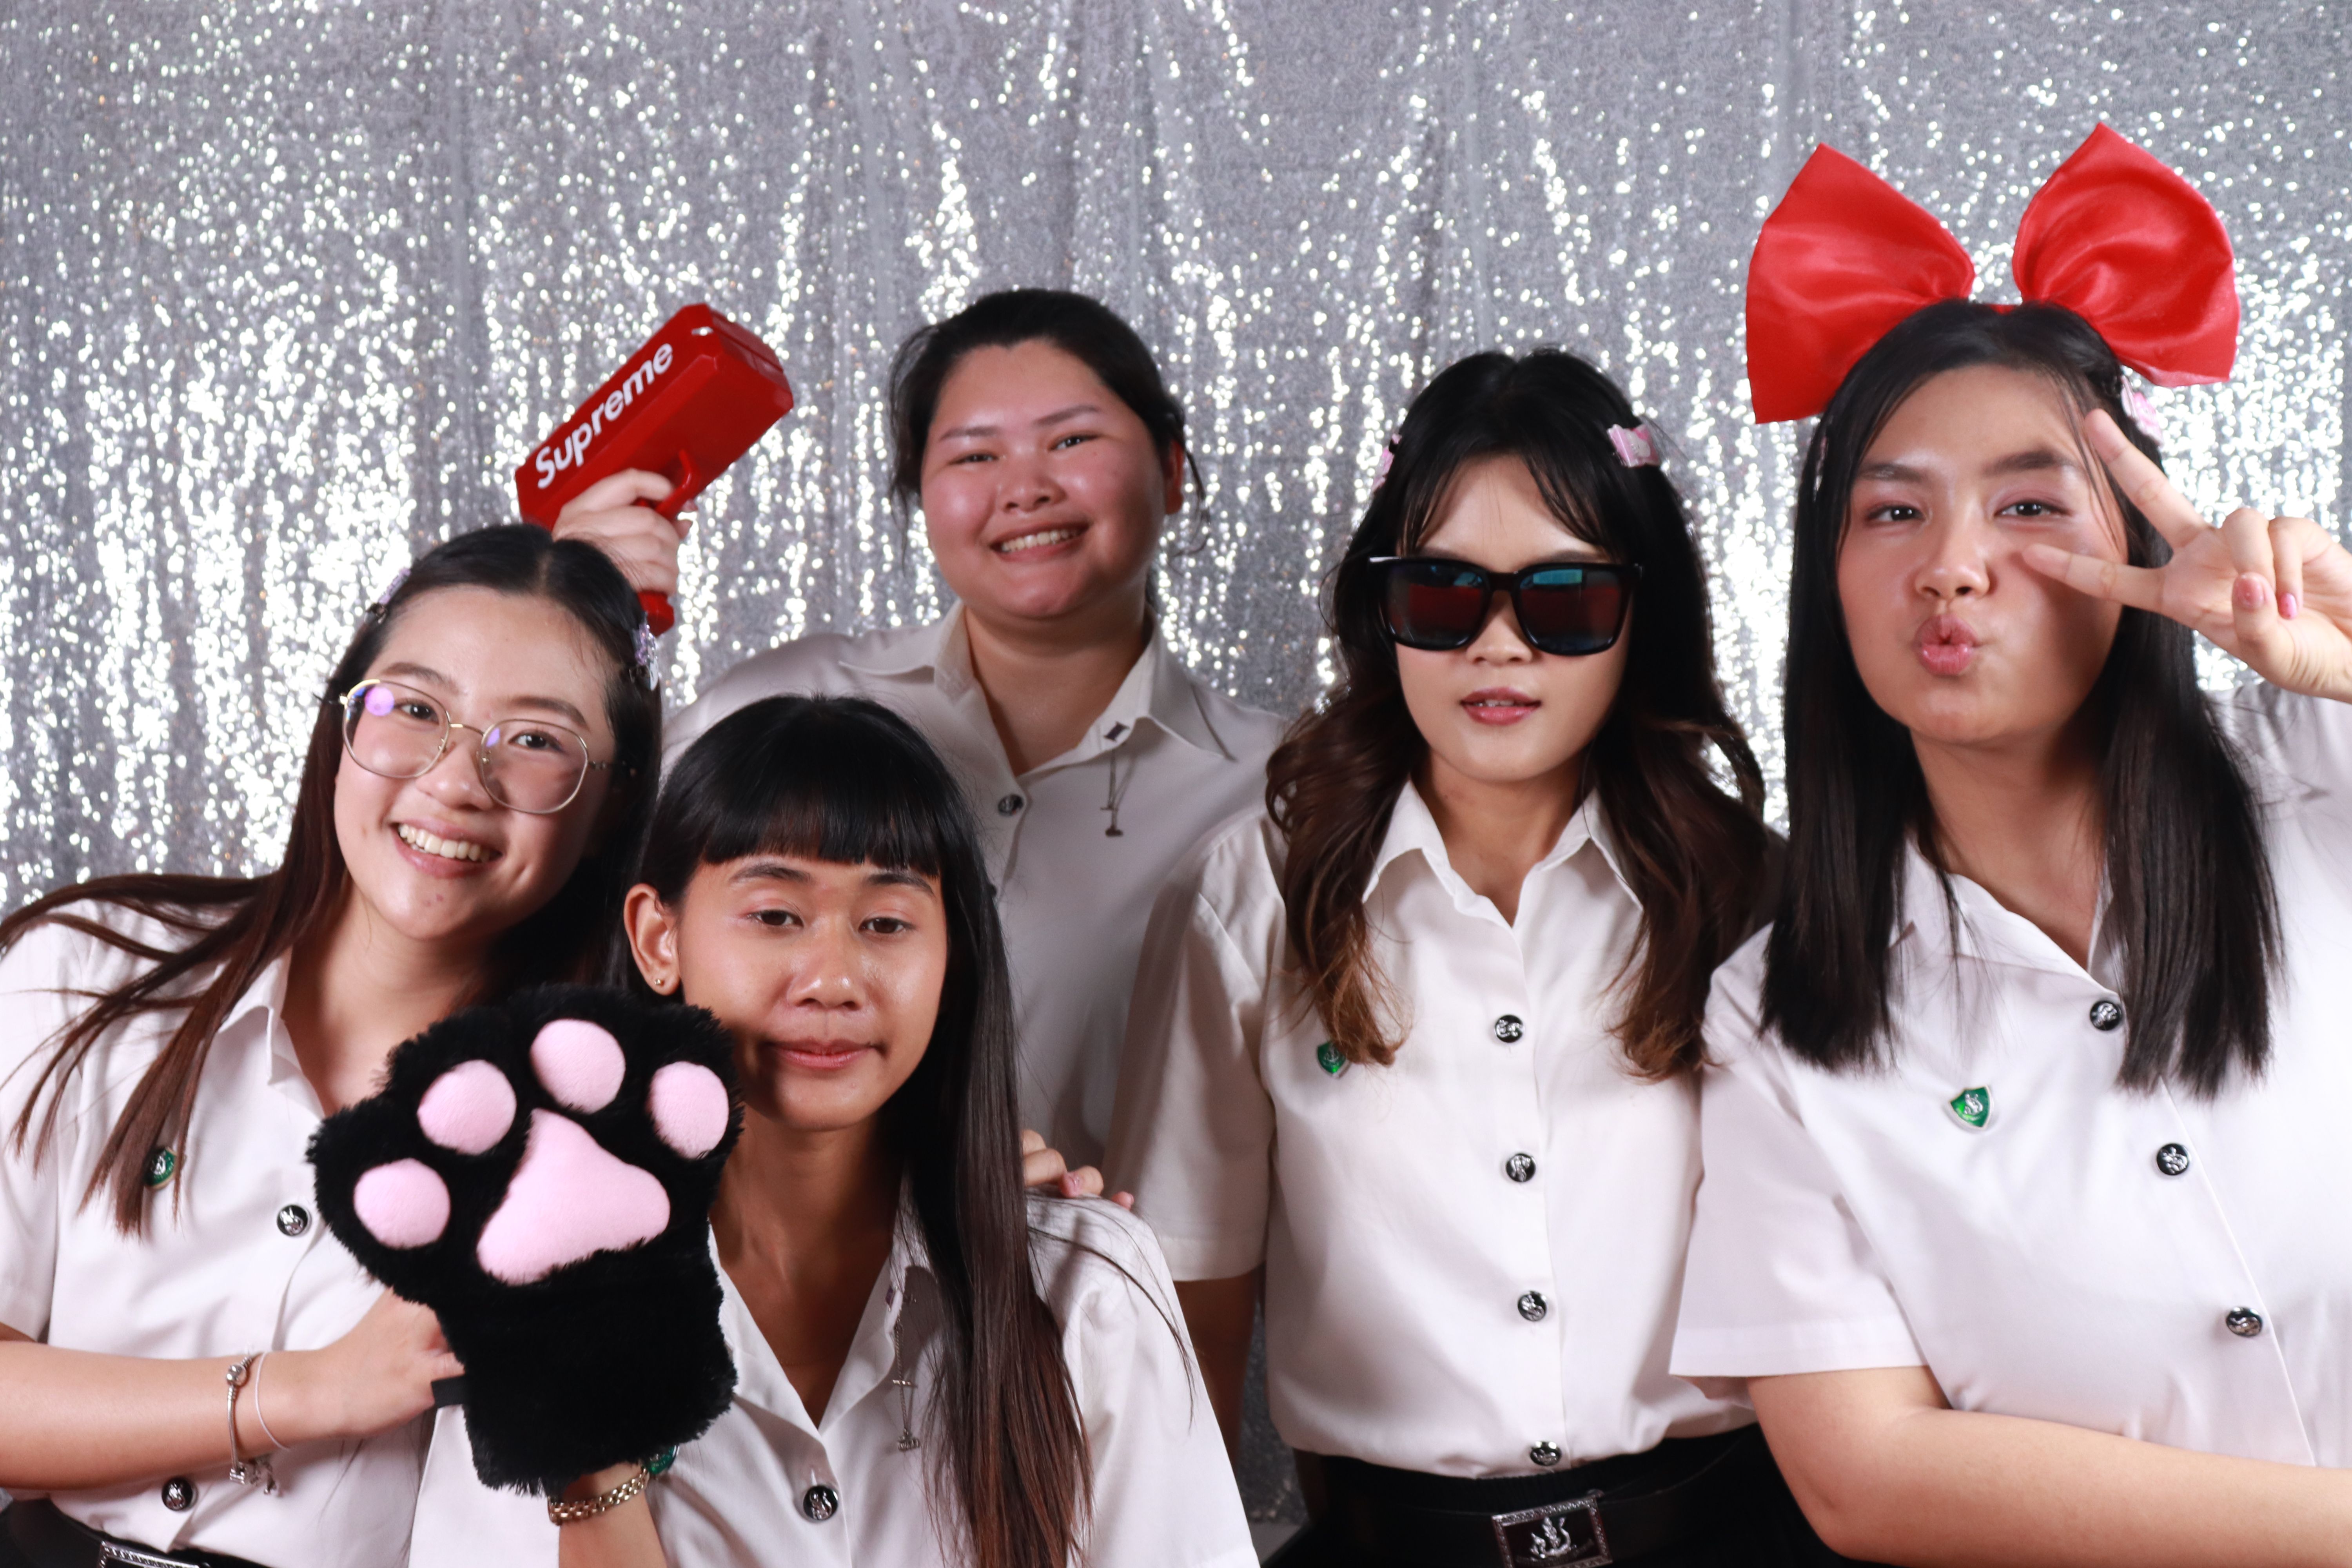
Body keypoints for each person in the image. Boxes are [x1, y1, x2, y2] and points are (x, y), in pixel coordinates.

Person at [1672, 127, 2352, 1564]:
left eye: (2030, 506)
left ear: (2144, 551)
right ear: (1827, 579)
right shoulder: (1781, 1018)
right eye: (1893, 510)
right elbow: (1869, 1477)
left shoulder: (2325, 774)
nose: (1953, 566)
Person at [1107, 350, 1837, 1565]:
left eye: (1565, 598)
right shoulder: (1251, 896)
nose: (1500, 646)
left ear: (1641, 613)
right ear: (1382, 608)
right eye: (1444, 594)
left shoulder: (1755, 893)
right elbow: (1189, 1316)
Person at [0, 527, 662, 1568]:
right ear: (344, 721)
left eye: (536, 739)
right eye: (416, 708)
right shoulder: (90, 972)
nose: (457, 780)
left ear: (613, 796)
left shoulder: (593, 1148)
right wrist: (307, 1389)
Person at [554, 289, 1286, 1165]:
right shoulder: (778, 706)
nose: (1026, 489)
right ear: (920, 495)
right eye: (975, 455)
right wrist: (566, 620)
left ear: (1169, 470)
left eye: (1072, 441)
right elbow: (557, 889)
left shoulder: (1279, 787)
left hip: (1105, 1251)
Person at [541, 694, 1252, 1568]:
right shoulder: (545, 1287)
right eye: (776, 916)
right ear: (660, 939)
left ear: (954, 953)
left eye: (886, 923)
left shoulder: (1086, 1289)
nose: (833, 981)